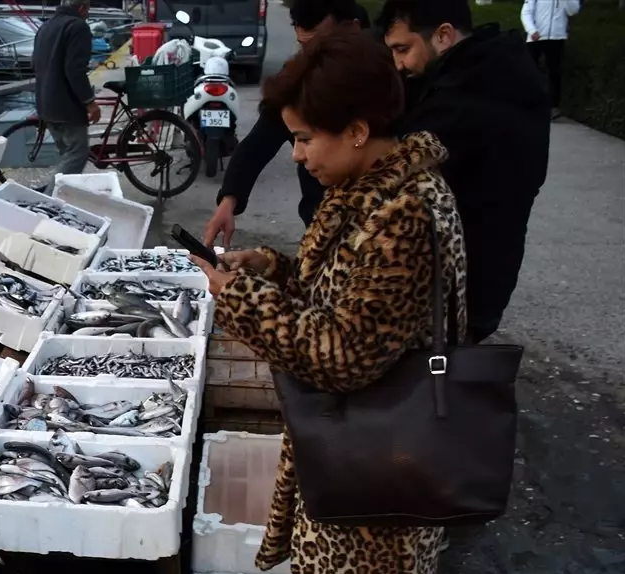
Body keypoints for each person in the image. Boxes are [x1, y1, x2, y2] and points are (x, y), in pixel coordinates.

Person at [195, 29, 467, 574]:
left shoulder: (403, 213)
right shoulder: (368, 188)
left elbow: (342, 354)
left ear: (357, 130)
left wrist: (241, 298)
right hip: (361, 437)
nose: (296, 155)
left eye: (305, 138)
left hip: (384, 447)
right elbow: (341, 297)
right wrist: (271, 267)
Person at [380, 0, 550, 342]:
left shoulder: (465, 99)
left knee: (429, 385)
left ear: (444, 35)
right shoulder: (495, 72)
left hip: (459, 285)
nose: (398, 64)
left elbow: (396, 180)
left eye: (403, 49)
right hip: (483, 276)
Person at [202, 0, 370, 249]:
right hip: (319, 226)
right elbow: (260, 142)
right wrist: (230, 199)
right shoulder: (299, 77)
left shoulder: (384, 78)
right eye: (304, 46)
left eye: (307, 139)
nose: (297, 156)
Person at [32, 0, 100, 187]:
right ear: (81, 8)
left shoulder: (45, 27)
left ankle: (60, 196)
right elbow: (75, 70)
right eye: (87, 9)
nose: (87, 14)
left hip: (45, 102)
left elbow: (34, 64)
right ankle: (47, 200)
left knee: (66, 154)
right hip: (66, 105)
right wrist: (89, 101)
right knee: (77, 154)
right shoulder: (78, 27)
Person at [521, 0, 581, 116]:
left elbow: (573, 11)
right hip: (536, 37)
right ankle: (529, 102)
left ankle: (553, 106)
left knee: (554, 72)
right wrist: (532, 30)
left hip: (557, 36)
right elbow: (526, 12)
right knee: (530, 70)